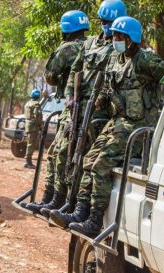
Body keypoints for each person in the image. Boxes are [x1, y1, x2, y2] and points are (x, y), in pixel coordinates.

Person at [52, 16, 164, 237]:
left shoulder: (146, 61)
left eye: (120, 36)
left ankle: (94, 220)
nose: (116, 39)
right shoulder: (115, 59)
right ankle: (80, 211)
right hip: (117, 122)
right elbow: (106, 89)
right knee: (88, 160)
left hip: (137, 125)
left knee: (101, 164)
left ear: (132, 38)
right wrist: (97, 103)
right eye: (115, 35)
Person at [40, 0, 127, 218]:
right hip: (78, 107)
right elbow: (75, 72)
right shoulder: (89, 44)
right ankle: (56, 199)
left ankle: (72, 204)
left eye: (110, 22)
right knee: (63, 154)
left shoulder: (120, 48)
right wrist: (70, 95)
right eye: (103, 21)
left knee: (82, 160)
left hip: (98, 113)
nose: (106, 26)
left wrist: (102, 102)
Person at [24, 10, 89, 212]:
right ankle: (53, 199)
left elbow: (50, 76)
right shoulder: (92, 46)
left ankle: (54, 199)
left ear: (65, 30)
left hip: (71, 108)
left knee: (57, 154)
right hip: (85, 109)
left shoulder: (67, 48)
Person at [24, 89, 43, 169]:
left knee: (29, 143)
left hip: (28, 125)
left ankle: (28, 161)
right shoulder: (36, 104)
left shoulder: (28, 103)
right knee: (31, 144)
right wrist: (40, 125)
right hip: (34, 127)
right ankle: (28, 162)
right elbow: (37, 116)